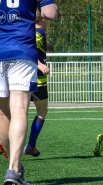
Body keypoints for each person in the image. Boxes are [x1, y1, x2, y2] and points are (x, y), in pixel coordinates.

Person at [0, 1, 57, 184]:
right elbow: (50, 13)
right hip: (22, 50)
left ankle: (14, 166)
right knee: (19, 109)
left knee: (2, 113)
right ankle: (13, 170)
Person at [23, 8, 53, 157]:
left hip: (21, 77)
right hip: (37, 79)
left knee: (16, 112)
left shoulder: (27, 30)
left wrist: (46, 48)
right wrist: (40, 64)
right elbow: (28, 50)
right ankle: (31, 145)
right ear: (42, 19)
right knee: (42, 111)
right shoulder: (39, 33)